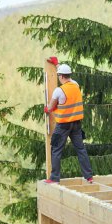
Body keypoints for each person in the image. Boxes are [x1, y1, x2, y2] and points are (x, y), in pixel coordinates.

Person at [44, 56, 93, 184]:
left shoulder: (58, 91)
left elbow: (49, 108)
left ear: (60, 77)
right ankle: (89, 176)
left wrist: (47, 109)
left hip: (63, 126)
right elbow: (65, 74)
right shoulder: (75, 85)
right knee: (81, 149)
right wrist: (57, 64)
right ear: (69, 75)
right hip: (76, 124)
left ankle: (54, 178)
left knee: (56, 149)